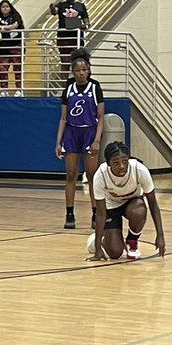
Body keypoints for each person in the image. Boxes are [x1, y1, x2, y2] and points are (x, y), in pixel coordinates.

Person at [87, 141, 165, 261]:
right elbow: (101, 213)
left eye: (124, 161)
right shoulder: (100, 175)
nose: (122, 166)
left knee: (139, 211)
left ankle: (132, 241)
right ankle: (101, 240)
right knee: (115, 253)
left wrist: (160, 235)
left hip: (132, 202)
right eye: (116, 163)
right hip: (111, 206)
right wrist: (97, 249)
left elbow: (153, 204)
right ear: (108, 164)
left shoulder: (139, 170)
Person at [55, 48, 104, 229]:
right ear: (73, 71)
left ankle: (94, 213)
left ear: (88, 70)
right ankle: (69, 214)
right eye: (78, 70)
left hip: (90, 132)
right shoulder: (68, 89)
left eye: (84, 70)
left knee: (92, 176)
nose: (81, 73)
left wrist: (97, 139)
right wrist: (58, 141)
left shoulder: (95, 87)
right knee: (71, 174)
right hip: (71, 132)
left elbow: (101, 117)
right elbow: (62, 118)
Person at [51, 0, 89, 75]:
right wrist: (52, 7)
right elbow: (54, 12)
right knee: (64, 61)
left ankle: (77, 81)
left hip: (76, 37)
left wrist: (85, 25)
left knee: (78, 60)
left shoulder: (80, 6)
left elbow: (86, 20)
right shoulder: (61, 5)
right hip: (63, 37)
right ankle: (65, 84)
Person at [0, 0, 25, 94]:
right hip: (4, 47)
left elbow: (15, 25)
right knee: (2, 69)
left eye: (7, 6)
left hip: (16, 46)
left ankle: (19, 89)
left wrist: (1, 28)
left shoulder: (15, 15)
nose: (5, 8)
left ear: (10, 8)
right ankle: (4, 89)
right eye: (3, 7)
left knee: (17, 69)